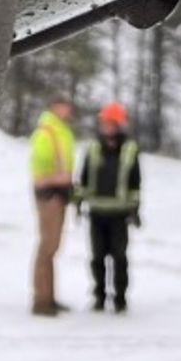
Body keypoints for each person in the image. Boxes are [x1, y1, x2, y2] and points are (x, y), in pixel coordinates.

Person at [76, 101, 143, 313]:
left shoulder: (130, 149)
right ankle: (99, 296)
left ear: (119, 125)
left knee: (119, 257)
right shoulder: (93, 147)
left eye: (110, 123)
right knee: (97, 257)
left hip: (120, 214)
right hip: (96, 212)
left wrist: (135, 209)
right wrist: (79, 202)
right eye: (104, 123)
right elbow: (84, 178)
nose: (106, 127)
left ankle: (120, 298)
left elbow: (135, 183)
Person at [29, 97, 76, 316]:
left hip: (60, 194)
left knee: (53, 247)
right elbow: (39, 172)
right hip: (50, 196)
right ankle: (41, 299)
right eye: (64, 106)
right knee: (47, 247)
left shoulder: (61, 132)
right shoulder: (47, 133)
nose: (68, 110)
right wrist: (56, 183)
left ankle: (49, 296)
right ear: (54, 107)